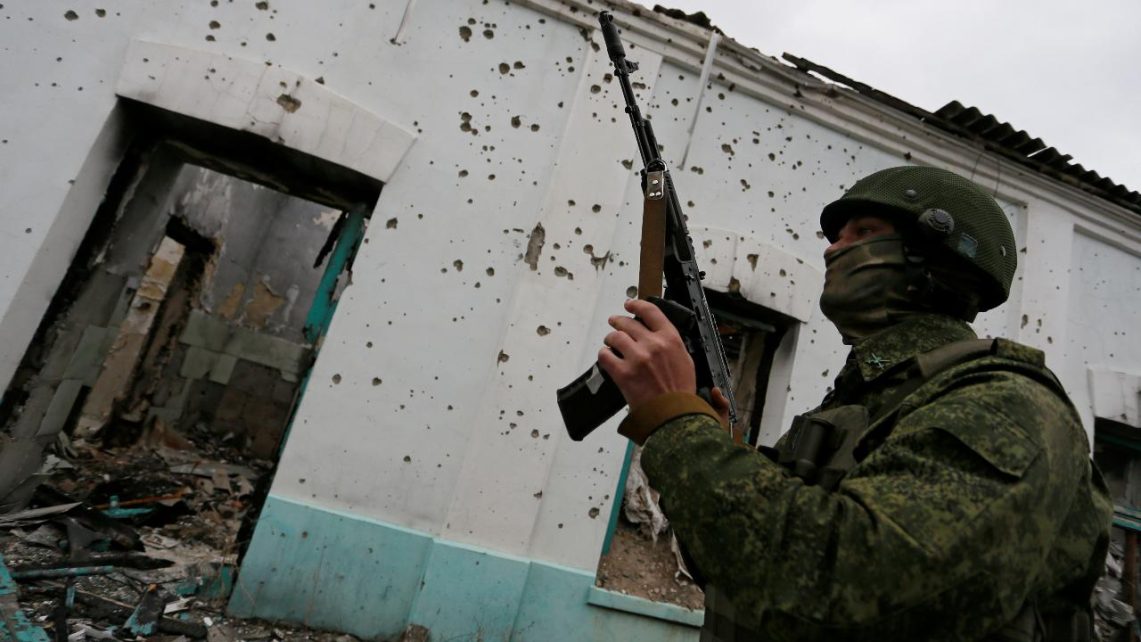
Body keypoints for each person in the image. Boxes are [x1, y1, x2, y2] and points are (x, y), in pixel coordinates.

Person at [598, 166, 1113, 641]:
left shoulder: (1007, 403)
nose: (831, 250)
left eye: (862, 233)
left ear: (936, 254)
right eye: (835, 237)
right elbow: (735, 564)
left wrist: (680, 426)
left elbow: (851, 579)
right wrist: (705, 438)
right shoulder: (860, 404)